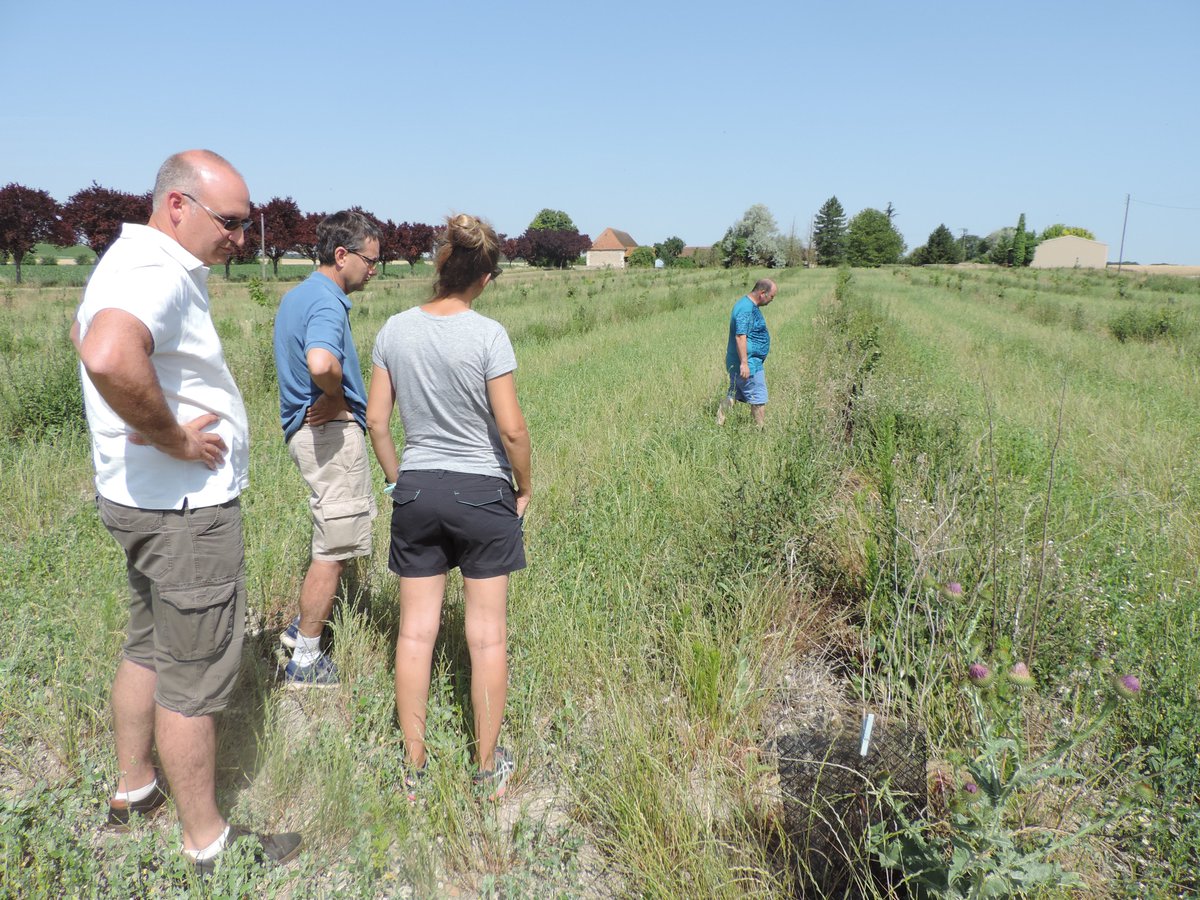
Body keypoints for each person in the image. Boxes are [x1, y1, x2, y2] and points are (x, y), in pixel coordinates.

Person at [72, 150, 300, 873]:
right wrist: (173, 436)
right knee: (195, 678)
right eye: (230, 222)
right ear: (177, 206)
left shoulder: (133, 262)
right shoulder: (153, 271)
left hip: (141, 503)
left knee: (149, 645)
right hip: (181, 514)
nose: (241, 237)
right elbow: (108, 353)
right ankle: (208, 845)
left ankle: (135, 789)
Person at [365, 213, 530, 801]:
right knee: (486, 638)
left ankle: (413, 768)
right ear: (483, 276)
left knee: (415, 635)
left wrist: (397, 480)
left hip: (417, 488)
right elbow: (510, 431)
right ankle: (486, 770)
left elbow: (378, 421)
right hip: (483, 490)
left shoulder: (393, 329)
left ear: (439, 264)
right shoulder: (488, 335)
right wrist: (524, 484)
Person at [272, 210, 380, 686]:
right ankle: (308, 658)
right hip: (328, 434)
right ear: (342, 255)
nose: (374, 269)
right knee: (333, 548)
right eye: (369, 260)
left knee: (331, 537)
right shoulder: (327, 302)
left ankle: (300, 631)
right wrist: (336, 398)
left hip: (307, 432)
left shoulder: (297, 295)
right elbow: (320, 361)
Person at [717, 278, 778, 427]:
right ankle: (759, 431)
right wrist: (744, 363)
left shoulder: (747, 305)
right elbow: (740, 336)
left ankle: (719, 419)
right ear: (762, 293)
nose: (772, 300)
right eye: (771, 296)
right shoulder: (746, 308)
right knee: (759, 398)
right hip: (748, 363)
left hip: (741, 362)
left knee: (734, 395)